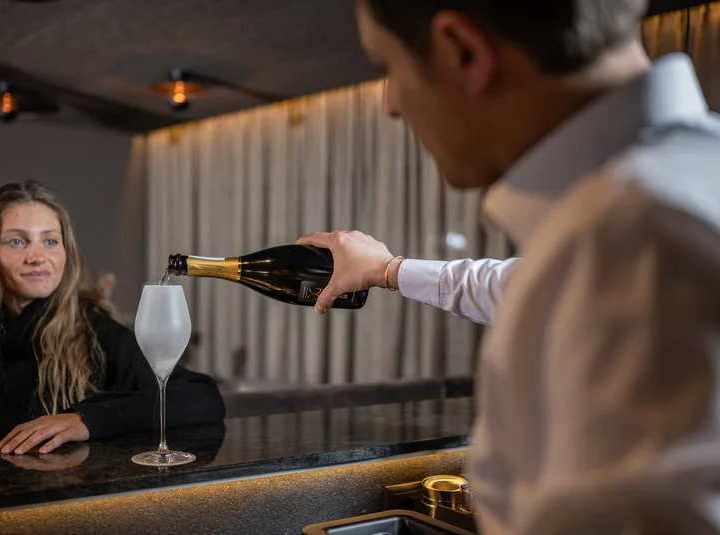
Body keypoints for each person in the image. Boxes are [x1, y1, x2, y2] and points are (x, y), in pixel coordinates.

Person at [299, 0, 720, 533]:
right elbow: (509, 285)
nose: (392, 106)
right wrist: (388, 268)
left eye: (388, 68)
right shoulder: (673, 192)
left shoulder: (627, 245)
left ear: (463, 51)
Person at [0, 181, 225, 455]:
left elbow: (202, 398)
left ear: (66, 253)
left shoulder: (94, 332)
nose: (37, 256)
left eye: (50, 241)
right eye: (17, 241)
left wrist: (85, 419)